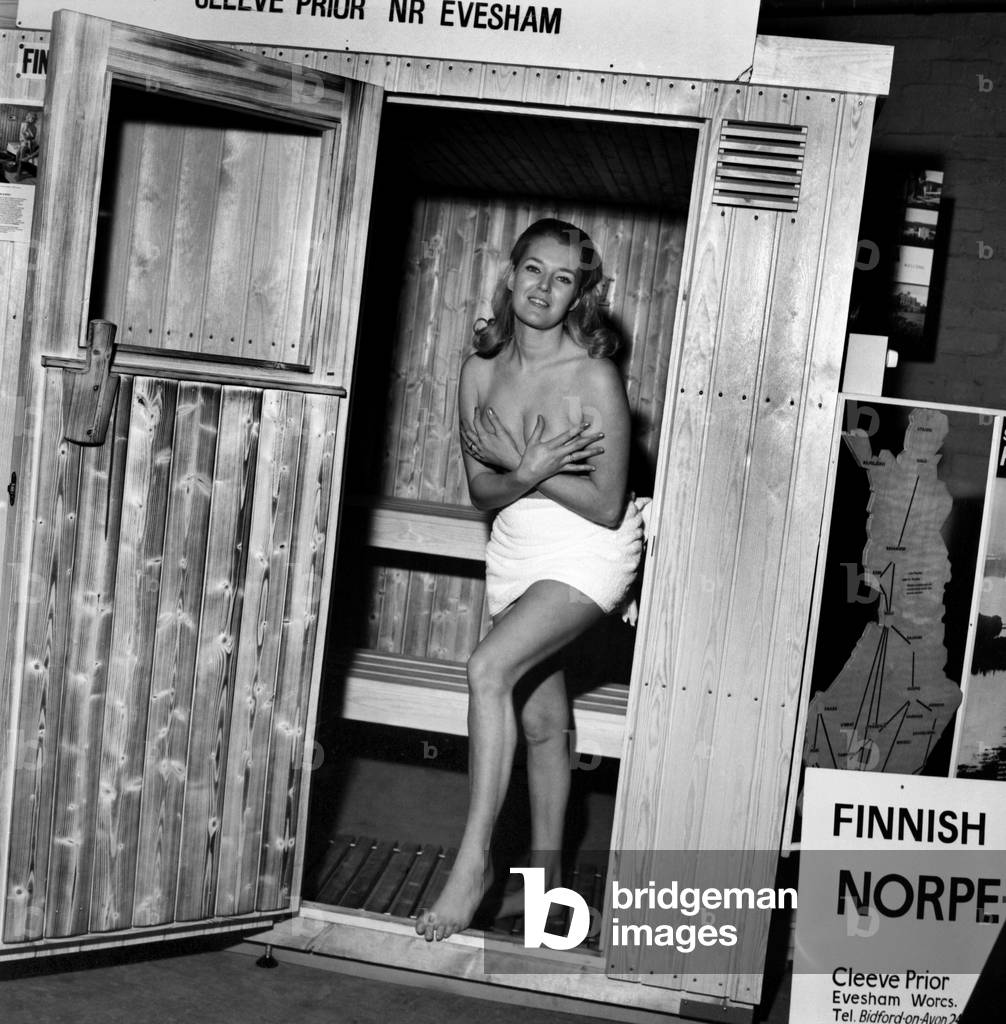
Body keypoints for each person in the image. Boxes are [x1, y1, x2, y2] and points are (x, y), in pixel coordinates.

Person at [414, 218, 644, 942]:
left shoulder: (592, 375)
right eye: (534, 271)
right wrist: (525, 469)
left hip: (588, 551)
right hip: (514, 550)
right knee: (544, 726)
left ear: (579, 294)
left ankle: (473, 864)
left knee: (488, 668)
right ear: (510, 276)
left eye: (564, 278)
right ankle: (551, 902)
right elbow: (484, 495)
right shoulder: (478, 372)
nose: (544, 289)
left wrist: (528, 466)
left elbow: (608, 504)